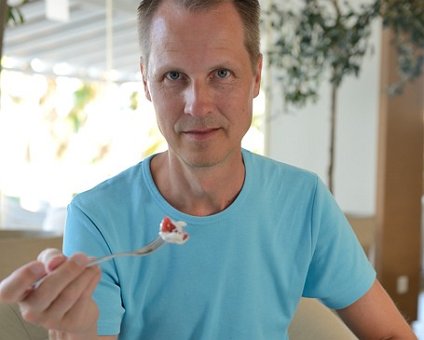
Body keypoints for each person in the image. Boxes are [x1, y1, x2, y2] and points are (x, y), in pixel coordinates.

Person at [0, 0, 417, 339]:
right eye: (173, 76)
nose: (197, 106)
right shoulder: (97, 217)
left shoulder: (303, 201)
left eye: (221, 73)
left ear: (255, 74)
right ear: (146, 81)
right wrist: (74, 329)